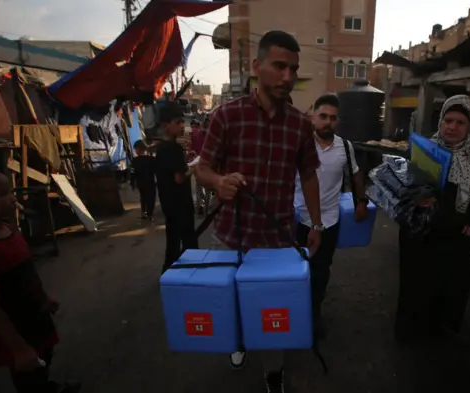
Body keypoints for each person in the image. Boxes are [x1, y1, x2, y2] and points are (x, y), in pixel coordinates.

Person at [196, 30, 322, 393]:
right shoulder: (226, 116)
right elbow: (202, 168)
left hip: (277, 240)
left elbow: (309, 174)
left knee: (273, 313)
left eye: (293, 69)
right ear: (257, 67)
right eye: (279, 66)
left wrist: (316, 224)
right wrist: (219, 182)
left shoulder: (300, 124)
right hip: (231, 236)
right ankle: (236, 343)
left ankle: (273, 373)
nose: (288, 76)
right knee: (231, 303)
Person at [395, 95, 470, 342]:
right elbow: (406, 183)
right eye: (448, 120)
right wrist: (418, 197)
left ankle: (443, 330)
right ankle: (412, 331)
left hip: (456, 232)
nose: (452, 127)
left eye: (460, 122)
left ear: (469, 124)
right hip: (423, 231)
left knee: (451, 285)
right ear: (440, 122)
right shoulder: (424, 149)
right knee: (417, 283)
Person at [0, 166, 80, 393]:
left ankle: (47, 386)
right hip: (16, 326)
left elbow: (25, 268)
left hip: (35, 311)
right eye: (2, 194)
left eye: (11, 192)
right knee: (28, 373)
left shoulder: (5, 229)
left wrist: (43, 296)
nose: (12, 199)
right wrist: (18, 347)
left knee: (43, 357)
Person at [294, 94, 369, 340]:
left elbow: (356, 175)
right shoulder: (299, 145)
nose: (327, 122)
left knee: (321, 270)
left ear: (338, 121)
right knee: (295, 269)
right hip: (297, 220)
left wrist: (361, 201)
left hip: (329, 221)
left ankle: (314, 312)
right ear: (313, 116)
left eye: (333, 118)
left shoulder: (345, 148)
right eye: (323, 116)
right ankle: (295, 311)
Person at [155, 103, 198, 273]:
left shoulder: (162, 147)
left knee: (173, 241)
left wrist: (185, 158)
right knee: (189, 242)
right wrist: (194, 168)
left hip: (169, 203)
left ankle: (168, 273)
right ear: (166, 125)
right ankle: (193, 274)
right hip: (181, 204)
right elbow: (179, 177)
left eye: (182, 122)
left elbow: (170, 169)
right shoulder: (173, 148)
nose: (182, 126)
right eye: (178, 122)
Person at [130, 140, 157, 222]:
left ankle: (144, 213)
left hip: (140, 183)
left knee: (143, 198)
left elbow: (132, 173)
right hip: (150, 183)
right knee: (151, 198)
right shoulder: (151, 159)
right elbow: (156, 171)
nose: (135, 151)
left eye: (135, 149)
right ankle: (150, 214)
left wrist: (132, 183)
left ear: (139, 149)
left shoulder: (134, 161)